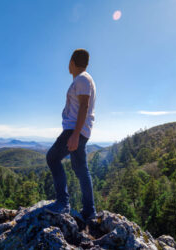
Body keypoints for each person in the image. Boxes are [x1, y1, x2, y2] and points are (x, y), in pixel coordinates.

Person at [45, 48, 97, 222]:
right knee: (81, 169)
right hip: (79, 129)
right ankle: (90, 211)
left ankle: (63, 202)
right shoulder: (85, 79)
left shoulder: (82, 79)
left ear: (72, 63)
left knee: (52, 158)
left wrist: (75, 134)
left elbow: (83, 106)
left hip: (74, 129)